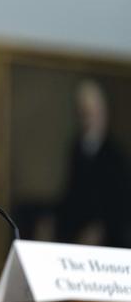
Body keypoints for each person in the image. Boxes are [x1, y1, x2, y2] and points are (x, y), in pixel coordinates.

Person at [57, 80, 131, 247]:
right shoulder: (76, 150)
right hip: (78, 238)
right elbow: (72, 196)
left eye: (92, 112)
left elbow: (121, 204)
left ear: (103, 113)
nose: (88, 118)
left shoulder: (116, 155)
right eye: (83, 113)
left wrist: (101, 229)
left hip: (109, 244)